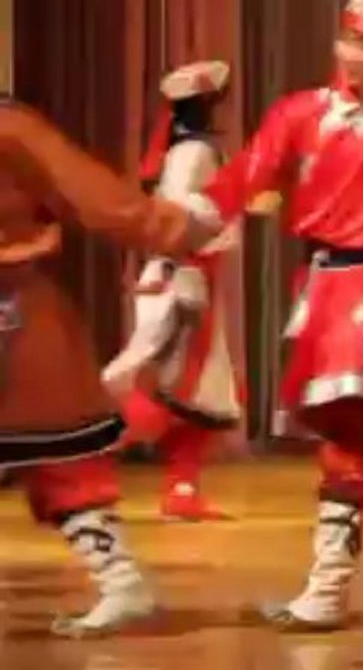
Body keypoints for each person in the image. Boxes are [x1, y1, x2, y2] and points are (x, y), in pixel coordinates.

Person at [193, 0, 363, 631]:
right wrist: (182, 221)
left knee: (346, 432)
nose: (357, 56)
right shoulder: (300, 114)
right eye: (351, 40)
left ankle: (329, 589)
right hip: (318, 287)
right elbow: (248, 173)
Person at [0, 99, 221, 637]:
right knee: (58, 459)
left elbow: (93, 195)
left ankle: (122, 581)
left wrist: (170, 226)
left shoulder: (9, 128)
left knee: (59, 459)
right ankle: (122, 582)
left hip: (12, 314)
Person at [102, 60, 242, 521]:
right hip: (183, 278)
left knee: (196, 395)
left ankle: (182, 488)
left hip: (186, 275)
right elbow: (179, 213)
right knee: (169, 388)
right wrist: (222, 210)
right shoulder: (193, 153)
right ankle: (78, 457)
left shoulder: (183, 151)